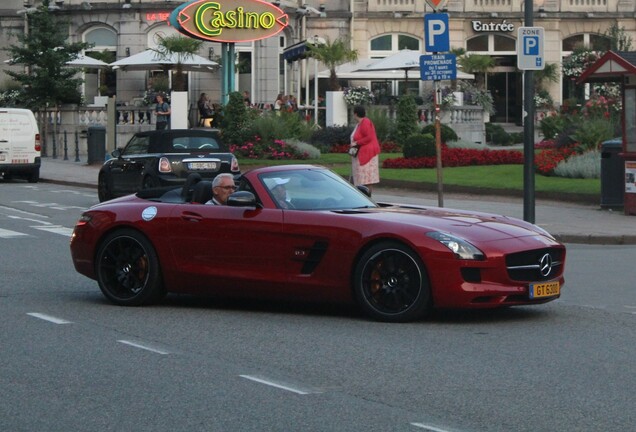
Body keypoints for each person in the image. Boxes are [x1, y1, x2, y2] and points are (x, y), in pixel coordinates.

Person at [350, 105, 381, 193]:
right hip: (360, 153)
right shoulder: (360, 124)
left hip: (367, 154)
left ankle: (367, 196)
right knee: (362, 178)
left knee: (367, 179)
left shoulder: (365, 122)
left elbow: (369, 137)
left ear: (355, 114)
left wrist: (357, 143)